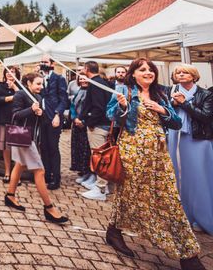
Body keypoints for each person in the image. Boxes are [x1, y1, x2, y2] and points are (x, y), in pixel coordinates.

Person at [106, 58, 204, 270]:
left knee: (168, 197)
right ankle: (114, 232)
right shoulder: (125, 90)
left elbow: (176, 123)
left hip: (158, 153)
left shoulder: (161, 93)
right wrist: (122, 107)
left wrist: (162, 110)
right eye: (143, 70)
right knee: (129, 193)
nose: (148, 73)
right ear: (133, 74)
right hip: (131, 151)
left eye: (151, 70)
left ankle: (187, 254)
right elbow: (110, 115)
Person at [4, 72, 69, 225]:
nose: (41, 86)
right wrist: (31, 110)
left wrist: (40, 114)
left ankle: (10, 195)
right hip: (21, 136)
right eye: (38, 83)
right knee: (40, 171)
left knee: (20, 165)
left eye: (42, 84)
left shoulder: (39, 98)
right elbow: (14, 116)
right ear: (28, 83)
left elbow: (36, 119)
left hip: (31, 136)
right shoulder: (20, 95)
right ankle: (49, 208)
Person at [167, 65, 213, 235]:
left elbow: (206, 117)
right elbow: (167, 114)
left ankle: (203, 217)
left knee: (199, 177)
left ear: (193, 76)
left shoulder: (205, 94)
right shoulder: (171, 91)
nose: (180, 74)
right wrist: (171, 104)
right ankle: (184, 215)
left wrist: (184, 103)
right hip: (176, 137)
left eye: (184, 72)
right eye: (177, 72)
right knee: (179, 176)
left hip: (197, 139)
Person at [79, 60, 113, 201]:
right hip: (101, 124)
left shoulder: (95, 84)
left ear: (87, 69)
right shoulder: (100, 82)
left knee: (99, 157)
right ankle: (101, 185)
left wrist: (90, 122)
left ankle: (101, 188)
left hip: (99, 126)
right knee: (100, 156)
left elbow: (99, 107)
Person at [38, 55, 67, 190]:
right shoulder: (39, 78)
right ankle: (46, 174)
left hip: (54, 117)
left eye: (45, 61)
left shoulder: (59, 79)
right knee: (43, 147)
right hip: (42, 116)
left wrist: (57, 114)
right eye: (41, 61)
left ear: (52, 64)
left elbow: (63, 99)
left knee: (53, 148)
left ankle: (56, 178)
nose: (43, 63)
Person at [0, 66, 20, 182]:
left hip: (17, 120)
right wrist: (11, 98)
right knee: (6, 147)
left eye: (12, 71)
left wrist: (15, 88)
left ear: (16, 74)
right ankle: (7, 171)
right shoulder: (1, 85)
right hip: (4, 119)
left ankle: (17, 174)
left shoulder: (21, 86)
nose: (9, 73)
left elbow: (25, 98)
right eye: (7, 71)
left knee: (17, 148)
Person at [70, 73, 91, 184]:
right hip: (76, 123)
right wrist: (74, 118)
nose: (83, 80)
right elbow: (73, 106)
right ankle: (81, 171)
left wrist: (83, 121)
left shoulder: (91, 92)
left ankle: (87, 172)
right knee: (78, 148)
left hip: (85, 124)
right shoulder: (78, 91)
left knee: (85, 150)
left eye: (85, 78)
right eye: (81, 78)